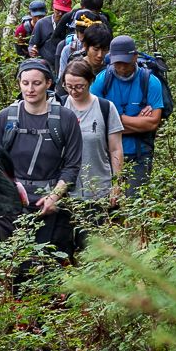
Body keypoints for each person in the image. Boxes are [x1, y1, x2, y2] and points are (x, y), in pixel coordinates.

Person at [0, 59, 82, 260]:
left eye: (36, 83)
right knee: (15, 266)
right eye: (25, 83)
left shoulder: (65, 119)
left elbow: (72, 165)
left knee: (53, 263)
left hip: (51, 201)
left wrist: (54, 197)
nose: (30, 89)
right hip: (12, 203)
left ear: (48, 83)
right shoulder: (5, 118)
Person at [61, 60, 123, 253]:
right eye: (69, 86)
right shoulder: (58, 107)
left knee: (95, 249)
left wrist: (117, 184)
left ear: (91, 82)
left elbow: (115, 149)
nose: (74, 91)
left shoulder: (105, 108)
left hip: (98, 191)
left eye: (79, 86)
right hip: (65, 193)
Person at [90, 35, 163, 194]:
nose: (122, 68)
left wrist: (113, 122)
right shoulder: (101, 81)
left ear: (135, 57)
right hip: (106, 154)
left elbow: (152, 123)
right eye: (117, 63)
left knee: (134, 203)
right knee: (109, 205)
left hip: (140, 153)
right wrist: (137, 121)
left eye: (126, 62)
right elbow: (94, 122)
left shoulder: (150, 82)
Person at [29, 0, 72, 72]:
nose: (60, 14)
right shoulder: (41, 23)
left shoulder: (72, 25)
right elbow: (32, 44)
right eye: (58, 10)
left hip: (67, 67)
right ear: (53, 8)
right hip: (46, 68)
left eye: (64, 12)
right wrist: (32, 50)